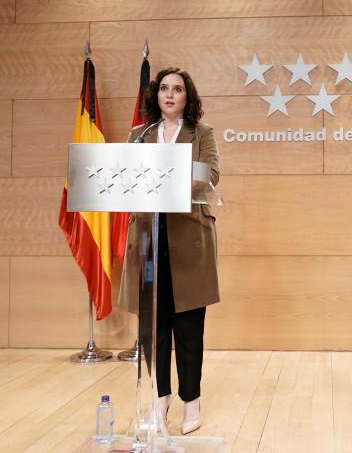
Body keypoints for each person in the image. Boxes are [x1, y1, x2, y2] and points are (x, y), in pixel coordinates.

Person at [120, 67, 220, 435]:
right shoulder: (139, 135)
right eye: (164, 88)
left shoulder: (202, 133)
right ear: (156, 95)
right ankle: (160, 398)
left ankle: (191, 401)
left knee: (189, 329)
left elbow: (209, 176)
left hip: (188, 238)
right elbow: (126, 178)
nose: (170, 94)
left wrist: (166, 175)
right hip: (150, 239)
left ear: (187, 96)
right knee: (155, 328)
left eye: (177, 89)